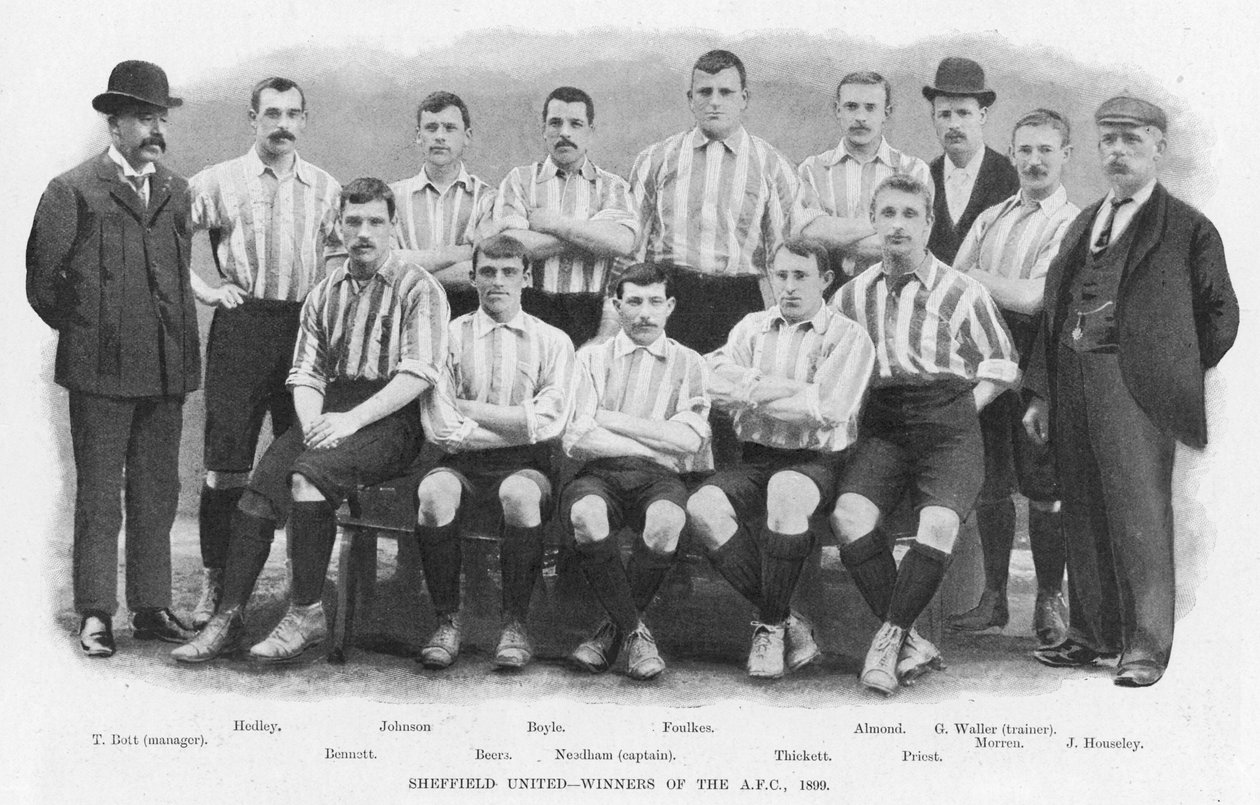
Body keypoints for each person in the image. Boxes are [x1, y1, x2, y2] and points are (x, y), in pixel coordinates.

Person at [172, 178, 449, 663]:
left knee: (308, 479)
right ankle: (228, 617)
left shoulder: (419, 289)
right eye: (353, 221)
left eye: (375, 222)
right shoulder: (324, 292)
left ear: (393, 227)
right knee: (261, 491)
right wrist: (312, 425)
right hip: (328, 409)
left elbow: (418, 374)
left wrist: (349, 423)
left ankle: (306, 612)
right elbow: (305, 371)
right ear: (339, 227)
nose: (363, 232)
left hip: (393, 415)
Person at [1024, 96, 1238, 687]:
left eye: (1131, 141)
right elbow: (1053, 311)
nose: (1117, 152)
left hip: (1134, 390)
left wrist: (1167, 371)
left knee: (1139, 517)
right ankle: (1093, 636)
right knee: (1083, 511)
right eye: (1108, 142)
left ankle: (1145, 648)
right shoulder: (1084, 219)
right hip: (1071, 383)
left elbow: (1220, 316)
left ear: (1158, 147)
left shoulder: (1189, 227)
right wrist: (1042, 393)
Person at [27, 61, 199, 656]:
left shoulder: (177, 190)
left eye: (161, 119)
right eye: (146, 119)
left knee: (158, 492)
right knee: (99, 494)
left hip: (165, 371)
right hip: (100, 372)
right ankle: (96, 613)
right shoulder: (70, 190)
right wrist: (95, 332)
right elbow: (44, 286)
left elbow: (175, 277)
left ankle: (151, 608)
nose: (158, 130)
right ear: (115, 123)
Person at [830, 174, 1018, 696]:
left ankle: (890, 641)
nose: (897, 225)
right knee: (849, 516)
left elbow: (1003, 363)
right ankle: (910, 640)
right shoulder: (850, 296)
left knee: (937, 525)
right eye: (887, 214)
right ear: (874, 220)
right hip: (885, 423)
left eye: (909, 215)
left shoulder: (962, 292)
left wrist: (962, 409)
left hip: (950, 424)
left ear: (928, 223)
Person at [187, 76, 343, 629]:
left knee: (303, 461)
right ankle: (216, 582)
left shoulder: (326, 188)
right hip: (242, 326)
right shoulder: (218, 181)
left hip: (303, 329)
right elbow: (163, 237)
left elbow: (344, 262)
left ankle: (297, 591)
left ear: (304, 121)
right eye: (271, 112)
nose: (282, 123)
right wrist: (207, 289)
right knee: (225, 467)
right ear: (252, 118)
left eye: (293, 113)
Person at [685, 238, 875, 679]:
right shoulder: (751, 326)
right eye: (781, 276)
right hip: (754, 458)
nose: (788, 287)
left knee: (785, 491)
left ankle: (768, 627)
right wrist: (788, 390)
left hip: (817, 463)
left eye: (801, 276)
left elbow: (828, 410)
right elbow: (711, 384)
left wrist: (748, 392)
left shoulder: (848, 336)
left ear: (826, 280)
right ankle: (791, 618)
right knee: (702, 507)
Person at [947, 109, 1081, 646]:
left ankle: (1049, 600)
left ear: (1066, 155)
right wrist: (985, 283)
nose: (1033, 160)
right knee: (992, 486)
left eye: (1046, 149)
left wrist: (979, 277)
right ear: (1013, 153)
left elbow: (1034, 298)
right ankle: (994, 599)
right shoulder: (991, 217)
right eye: (1024, 150)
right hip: (984, 364)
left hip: (1038, 369)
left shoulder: (1073, 222)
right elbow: (950, 287)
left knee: (1044, 487)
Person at [415, 234, 576, 671]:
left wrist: (473, 411)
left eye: (509, 272)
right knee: (433, 495)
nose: (498, 281)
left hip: (527, 467)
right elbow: (442, 427)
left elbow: (552, 422)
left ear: (527, 277)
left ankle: (515, 624)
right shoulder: (446, 337)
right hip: (461, 461)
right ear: (471, 278)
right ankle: (447, 621)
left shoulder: (554, 340)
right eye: (487, 271)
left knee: (520, 496)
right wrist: (518, 425)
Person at [561, 263, 712, 681]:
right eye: (634, 302)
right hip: (599, 471)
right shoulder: (589, 357)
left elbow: (688, 442)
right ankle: (636, 634)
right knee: (586, 517)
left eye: (654, 302)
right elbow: (577, 436)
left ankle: (613, 631)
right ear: (616, 305)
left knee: (667, 522)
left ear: (670, 306)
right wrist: (655, 444)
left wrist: (610, 417)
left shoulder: (690, 362)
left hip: (660, 479)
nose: (645, 313)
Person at [628, 49, 799, 355]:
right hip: (669, 295)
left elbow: (782, 255)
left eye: (726, 92)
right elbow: (632, 247)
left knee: (729, 395)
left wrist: (782, 322)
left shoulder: (773, 166)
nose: (715, 101)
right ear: (690, 98)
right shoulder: (656, 159)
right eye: (705, 92)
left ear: (744, 98)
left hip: (738, 300)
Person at [494, 87, 637, 347]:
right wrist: (593, 236)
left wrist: (554, 224)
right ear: (544, 129)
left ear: (591, 131)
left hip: (589, 313)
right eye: (555, 123)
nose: (565, 133)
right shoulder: (520, 180)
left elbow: (623, 242)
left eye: (576, 124)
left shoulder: (612, 186)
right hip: (528, 309)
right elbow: (509, 248)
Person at [797, 70, 932, 286]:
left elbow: (913, 242)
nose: (860, 117)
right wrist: (883, 223)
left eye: (870, 107)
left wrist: (833, 238)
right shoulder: (812, 170)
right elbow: (808, 237)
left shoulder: (913, 171)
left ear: (886, 113)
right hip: (827, 290)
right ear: (837, 110)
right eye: (851, 106)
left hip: (895, 285)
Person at [391, 90, 499, 320]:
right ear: (418, 136)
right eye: (431, 128)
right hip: (405, 313)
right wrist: (459, 253)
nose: (440, 136)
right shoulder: (392, 197)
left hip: (469, 314)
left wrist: (409, 268)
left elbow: (484, 270)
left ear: (467, 136)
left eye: (449, 128)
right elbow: (386, 263)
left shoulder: (488, 199)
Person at [922, 57, 1019, 264]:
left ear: (982, 115)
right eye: (944, 114)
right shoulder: (923, 176)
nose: (954, 124)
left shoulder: (1010, 176)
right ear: (933, 118)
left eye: (964, 113)